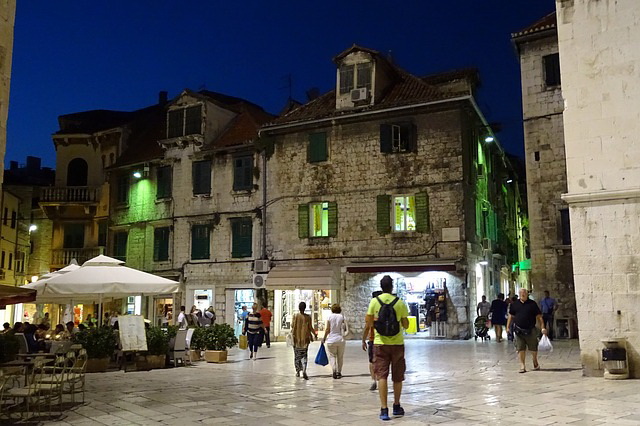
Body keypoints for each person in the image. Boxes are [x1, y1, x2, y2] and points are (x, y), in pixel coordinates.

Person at [364, 275, 409, 421]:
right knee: (397, 376)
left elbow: (369, 322)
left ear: (381, 286)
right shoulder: (400, 303)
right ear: (392, 287)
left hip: (380, 343)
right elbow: (406, 325)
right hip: (397, 344)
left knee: (382, 376)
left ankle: (384, 409)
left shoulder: (374, 302)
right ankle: (396, 405)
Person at [507, 288, 546, 373]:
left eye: (524, 293)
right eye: (521, 293)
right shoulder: (515, 304)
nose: (523, 294)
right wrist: (508, 327)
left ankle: (535, 361)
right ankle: (522, 365)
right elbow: (511, 316)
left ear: (527, 294)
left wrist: (542, 327)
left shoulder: (532, 304)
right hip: (518, 330)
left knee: (533, 348)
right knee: (520, 348)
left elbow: (539, 316)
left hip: (530, 329)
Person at [363, 290, 382, 391]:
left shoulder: (370, 313)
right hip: (384, 339)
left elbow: (367, 327)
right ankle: (381, 380)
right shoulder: (386, 310)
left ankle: (373, 380)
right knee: (382, 361)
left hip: (372, 339)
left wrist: (363, 340)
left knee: (372, 361)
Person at [291, 301, 316, 380]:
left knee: (297, 356)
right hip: (305, 339)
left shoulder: (295, 316)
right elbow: (310, 327)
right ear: (305, 308)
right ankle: (304, 369)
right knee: (304, 355)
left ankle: (298, 371)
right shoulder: (308, 317)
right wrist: (314, 334)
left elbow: (292, 326)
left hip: (296, 339)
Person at [322, 303, 347, 379]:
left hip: (331, 339)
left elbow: (327, 329)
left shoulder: (329, 317)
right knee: (340, 357)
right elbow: (344, 328)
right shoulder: (342, 317)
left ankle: (334, 370)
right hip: (340, 339)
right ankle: (339, 372)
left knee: (332, 356)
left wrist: (324, 338)